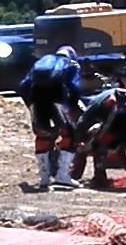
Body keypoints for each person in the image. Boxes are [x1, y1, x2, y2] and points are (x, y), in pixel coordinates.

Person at [18, 44, 86, 192]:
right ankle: (62, 176)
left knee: (42, 136)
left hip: (36, 99)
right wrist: (72, 105)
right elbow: (75, 87)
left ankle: (44, 178)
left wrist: (31, 105)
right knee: (69, 135)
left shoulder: (41, 62)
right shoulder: (71, 64)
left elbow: (23, 85)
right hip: (57, 100)